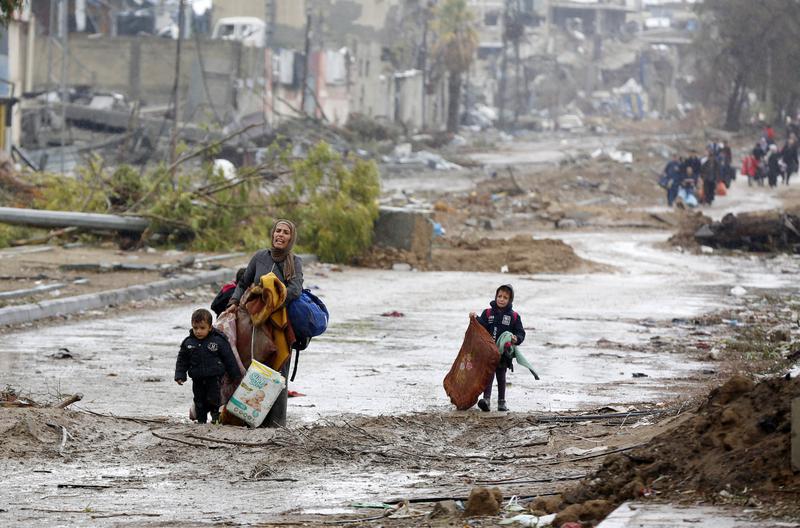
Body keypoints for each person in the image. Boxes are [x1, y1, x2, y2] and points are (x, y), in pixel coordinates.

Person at [226, 218, 304, 426]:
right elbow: (243, 283)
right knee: (252, 367)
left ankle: (276, 423)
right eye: (278, 231)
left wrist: (273, 300)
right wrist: (234, 301)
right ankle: (248, 417)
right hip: (255, 325)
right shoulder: (260, 257)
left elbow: (296, 289)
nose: (280, 235)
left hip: (279, 325)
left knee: (278, 370)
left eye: (285, 232)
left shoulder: (294, 262)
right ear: (272, 234)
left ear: (291, 238)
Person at [175, 308, 240, 424]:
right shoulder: (188, 343)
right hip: (197, 378)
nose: (198, 331)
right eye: (195, 328)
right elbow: (182, 361)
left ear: (210, 327)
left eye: (202, 328)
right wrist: (180, 375)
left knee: (214, 399)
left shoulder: (218, 341)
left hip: (214, 378)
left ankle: (215, 418)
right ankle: (201, 420)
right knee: (199, 399)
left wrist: (235, 374)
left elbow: (228, 357)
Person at [469, 284, 526, 412]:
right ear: (496, 297)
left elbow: (520, 332)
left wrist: (516, 338)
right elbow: (482, 327)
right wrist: (475, 318)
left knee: (501, 376)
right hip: (488, 352)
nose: (501, 299)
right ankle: (486, 400)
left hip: (504, 353)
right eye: (499, 296)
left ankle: (502, 402)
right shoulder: (488, 313)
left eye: (505, 297)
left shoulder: (514, 316)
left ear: (510, 300)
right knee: (488, 375)